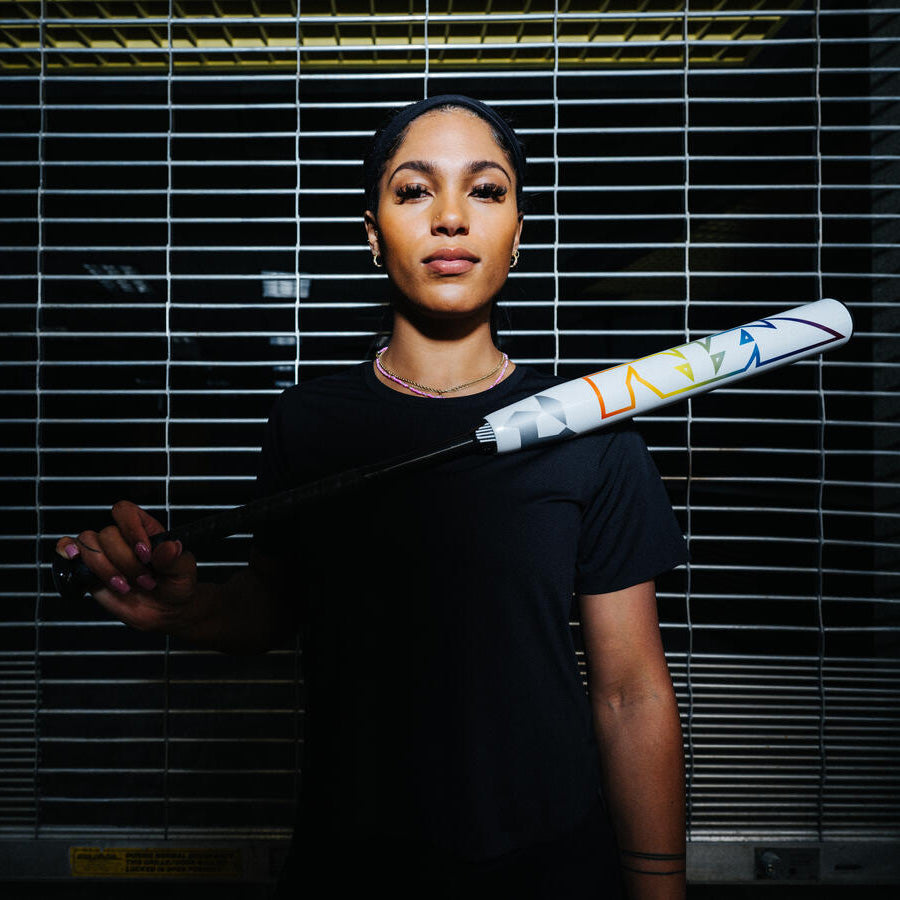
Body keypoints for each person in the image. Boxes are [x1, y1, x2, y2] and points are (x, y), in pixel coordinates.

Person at [56, 95, 688, 900]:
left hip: (549, 864)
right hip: (348, 860)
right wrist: (186, 610)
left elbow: (631, 693)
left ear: (519, 234)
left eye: (486, 191)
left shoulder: (595, 434)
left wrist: (659, 890)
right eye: (415, 190)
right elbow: (271, 609)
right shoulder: (309, 424)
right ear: (372, 232)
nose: (452, 217)